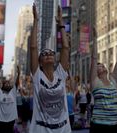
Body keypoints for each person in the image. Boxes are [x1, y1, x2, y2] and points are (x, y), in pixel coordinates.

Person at [28, 4, 71, 133]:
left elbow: (65, 47)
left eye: (51, 53)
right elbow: (33, 48)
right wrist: (35, 21)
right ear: (40, 62)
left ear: (55, 59)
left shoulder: (61, 74)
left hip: (63, 129)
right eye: (45, 54)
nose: (48, 54)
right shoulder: (37, 76)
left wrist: (61, 24)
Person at [89, 28, 117, 133]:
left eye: (103, 65)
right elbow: (94, 58)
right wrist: (95, 39)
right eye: (99, 66)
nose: (103, 66)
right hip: (98, 125)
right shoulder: (95, 82)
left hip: (114, 125)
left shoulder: (113, 81)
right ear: (96, 71)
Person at [0, 66, 20, 133]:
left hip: (11, 119)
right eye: (6, 84)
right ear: (2, 86)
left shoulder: (13, 93)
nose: (7, 84)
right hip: (1, 119)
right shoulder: (0, 93)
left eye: (8, 83)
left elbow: (16, 84)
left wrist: (19, 74)